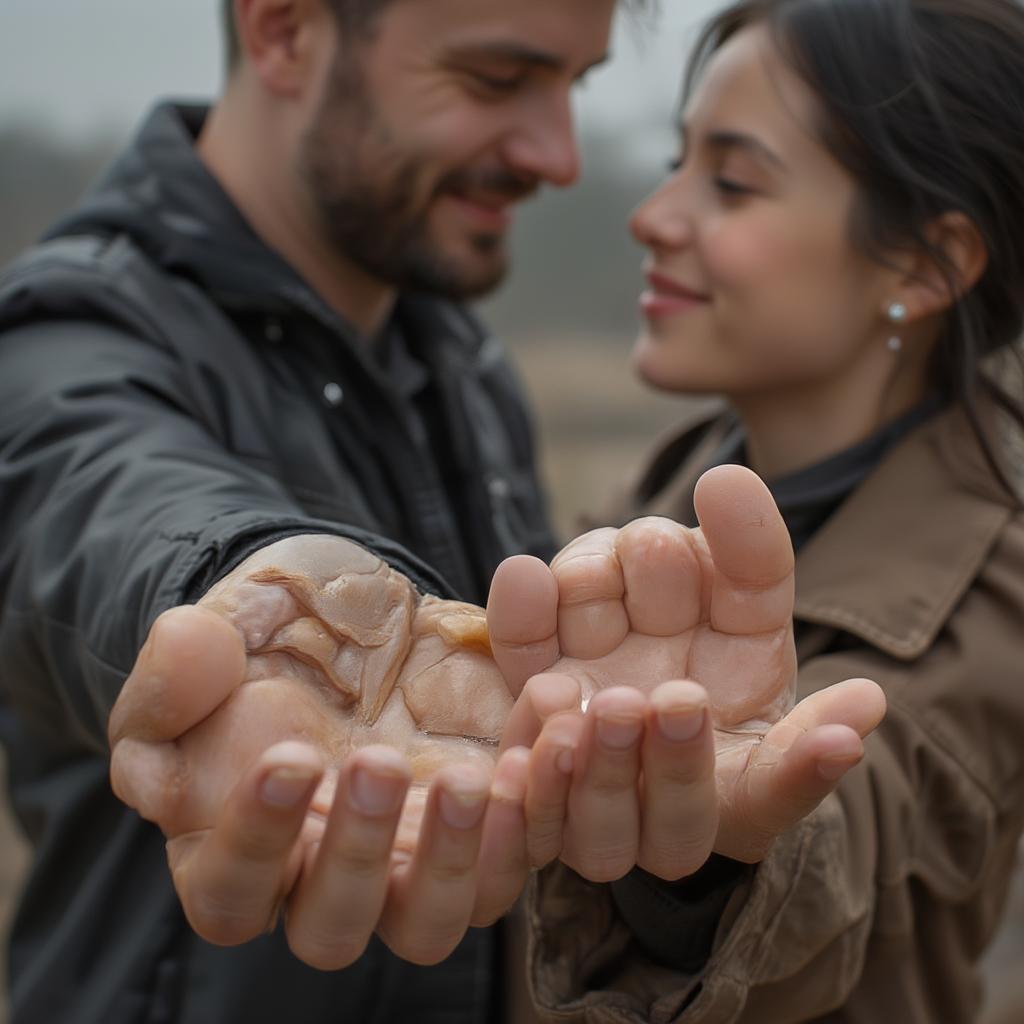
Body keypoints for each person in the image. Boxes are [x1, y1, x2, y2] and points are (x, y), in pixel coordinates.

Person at [0, 0, 883, 1021]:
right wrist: (259, 592)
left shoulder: (464, 367)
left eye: (574, 85)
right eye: (496, 81)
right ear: (284, 31)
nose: (556, 156)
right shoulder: (59, 340)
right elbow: (100, 494)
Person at [518, 0, 1024, 1021]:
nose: (652, 215)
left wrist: (710, 849)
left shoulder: (996, 596)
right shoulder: (662, 496)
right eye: (676, 160)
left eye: (731, 182)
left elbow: (855, 822)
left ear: (926, 265)